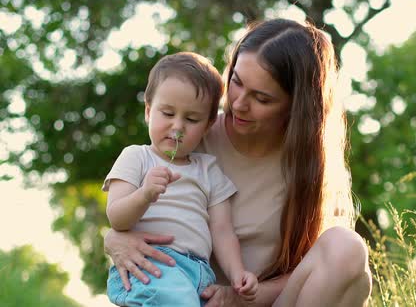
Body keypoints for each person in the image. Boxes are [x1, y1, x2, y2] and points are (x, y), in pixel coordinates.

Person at [104, 18, 372, 306]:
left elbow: (308, 274)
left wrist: (238, 297)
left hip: (260, 300)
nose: (239, 103)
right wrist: (114, 238)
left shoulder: (309, 168)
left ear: (295, 106)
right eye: (236, 82)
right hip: (187, 297)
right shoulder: (190, 138)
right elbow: (131, 207)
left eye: (262, 98)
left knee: (347, 249)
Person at [103, 52, 258, 306]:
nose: (177, 127)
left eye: (191, 119)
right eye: (167, 113)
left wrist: (237, 273)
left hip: (199, 274)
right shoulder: (136, 157)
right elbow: (116, 217)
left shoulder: (208, 170)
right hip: (151, 265)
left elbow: (222, 232)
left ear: (208, 126)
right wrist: (144, 195)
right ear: (148, 111)